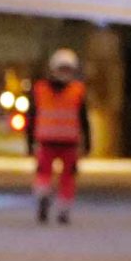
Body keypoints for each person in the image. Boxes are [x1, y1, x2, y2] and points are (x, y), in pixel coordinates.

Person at [29, 48, 90, 224]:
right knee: (53, 176)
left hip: (60, 142)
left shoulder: (42, 89)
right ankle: (53, 204)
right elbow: (32, 116)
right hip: (56, 142)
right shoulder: (75, 90)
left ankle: (54, 203)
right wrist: (30, 141)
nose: (64, 73)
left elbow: (83, 118)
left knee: (58, 176)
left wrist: (87, 141)